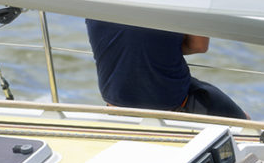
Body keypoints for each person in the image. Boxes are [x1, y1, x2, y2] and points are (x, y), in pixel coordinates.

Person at [85, 19, 248, 119]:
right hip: (173, 104)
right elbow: (199, 46)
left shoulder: (96, 1)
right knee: (248, 127)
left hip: (115, 105)